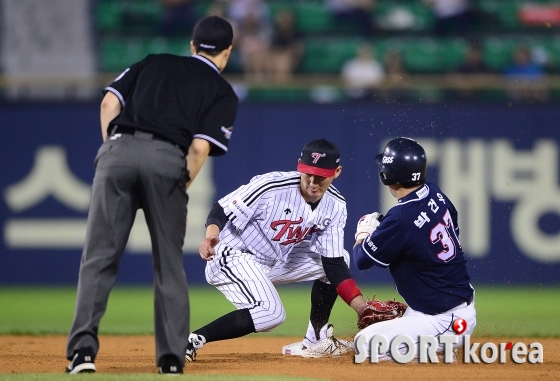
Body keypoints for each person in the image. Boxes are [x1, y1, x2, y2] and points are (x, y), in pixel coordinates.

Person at [65, 16, 238, 375]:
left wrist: (110, 152)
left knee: (98, 259)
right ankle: (171, 360)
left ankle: (82, 355)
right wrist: (177, 190)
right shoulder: (222, 91)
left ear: (193, 46)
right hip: (167, 159)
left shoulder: (153, 61)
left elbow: (108, 105)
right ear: (228, 53)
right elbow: (198, 150)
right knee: (168, 266)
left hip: (118, 151)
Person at [184, 138, 368, 361]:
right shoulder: (271, 186)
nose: (312, 181)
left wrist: (361, 307)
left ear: (336, 172)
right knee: (272, 314)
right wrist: (212, 233)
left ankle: (315, 341)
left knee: (340, 258)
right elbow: (221, 208)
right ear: (299, 166)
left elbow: (333, 264)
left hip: (273, 262)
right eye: (307, 173)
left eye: (320, 176)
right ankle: (191, 339)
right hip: (232, 254)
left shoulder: (336, 205)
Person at [352, 137, 476, 361]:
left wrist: (363, 234)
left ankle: (432, 355)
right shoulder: (434, 192)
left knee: (365, 345)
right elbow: (453, 224)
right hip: (449, 308)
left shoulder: (400, 218)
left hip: (444, 319)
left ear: (386, 176)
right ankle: (435, 349)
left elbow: (361, 260)